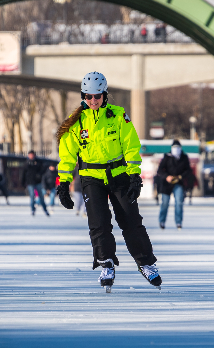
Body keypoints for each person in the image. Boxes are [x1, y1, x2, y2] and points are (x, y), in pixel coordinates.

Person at [56, 71, 162, 292]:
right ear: (83, 96)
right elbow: (67, 156)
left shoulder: (118, 116)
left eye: (97, 96)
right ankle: (106, 263)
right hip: (91, 177)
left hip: (118, 175)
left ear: (105, 95)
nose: (93, 101)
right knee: (99, 223)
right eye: (88, 96)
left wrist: (134, 176)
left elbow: (131, 146)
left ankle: (145, 263)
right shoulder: (76, 122)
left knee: (131, 220)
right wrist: (63, 183)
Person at [156, 139, 193, 230]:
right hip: (166, 184)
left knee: (179, 202)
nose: (176, 150)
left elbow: (188, 171)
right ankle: (162, 221)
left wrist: (180, 177)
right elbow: (160, 170)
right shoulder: (167, 157)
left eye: (178, 148)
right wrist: (167, 176)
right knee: (164, 203)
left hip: (178, 183)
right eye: (174, 148)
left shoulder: (184, 157)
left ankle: (178, 222)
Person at [21, 150, 48, 216]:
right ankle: (33, 209)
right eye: (30, 155)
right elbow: (23, 173)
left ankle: (45, 210)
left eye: (32, 155)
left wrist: (39, 174)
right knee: (32, 196)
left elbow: (44, 168)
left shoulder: (38, 162)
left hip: (38, 182)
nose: (31, 156)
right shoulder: (26, 163)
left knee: (41, 197)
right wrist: (23, 182)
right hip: (30, 182)